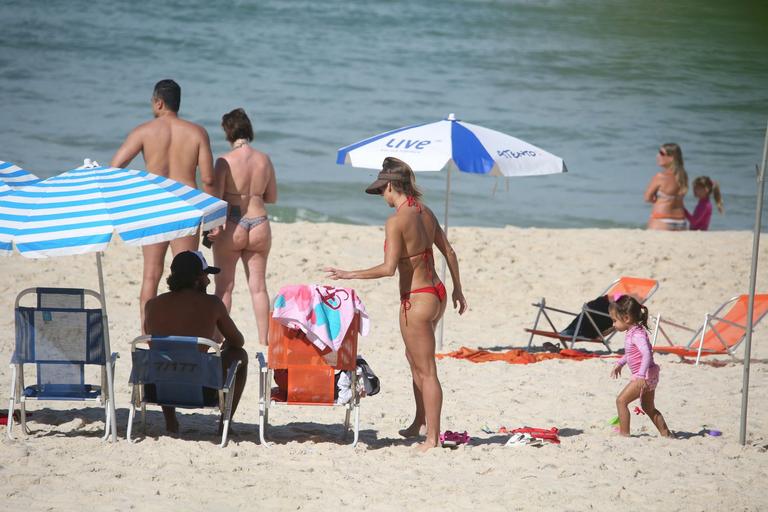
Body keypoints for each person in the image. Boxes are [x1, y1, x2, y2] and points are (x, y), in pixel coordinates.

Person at [324, 157, 468, 452]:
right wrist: (458, 290)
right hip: (437, 292)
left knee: (426, 369)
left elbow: (389, 269)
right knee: (414, 358)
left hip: (415, 300)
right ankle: (420, 422)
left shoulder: (396, 221)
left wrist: (350, 273)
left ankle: (432, 439)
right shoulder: (426, 213)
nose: (382, 197)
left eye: (382, 191)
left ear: (391, 186)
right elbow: (449, 252)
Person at [111, 79, 215, 332]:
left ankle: (148, 335)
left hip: (155, 207)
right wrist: (213, 220)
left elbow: (114, 169)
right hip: (185, 207)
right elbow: (209, 179)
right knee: (190, 276)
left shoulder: (144, 131)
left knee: (151, 275)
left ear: (158, 102)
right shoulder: (196, 132)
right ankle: (187, 331)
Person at [144, 250, 248, 434]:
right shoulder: (212, 304)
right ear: (197, 278)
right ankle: (224, 424)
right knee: (240, 355)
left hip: (157, 389)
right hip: (201, 391)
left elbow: (154, 343)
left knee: (166, 357)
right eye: (206, 275)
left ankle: (171, 422)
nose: (208, 281)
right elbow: (238, 341)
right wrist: (224, 343)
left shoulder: (152, 305)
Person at [206, 108, 277, 346]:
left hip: (233, 225)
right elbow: (272, 196)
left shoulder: (224, 161)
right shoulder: (264, 159)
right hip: (259, 223)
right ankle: (264, 341)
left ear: (228, 132)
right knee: (258, 287)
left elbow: (215, 199)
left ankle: (216, 338)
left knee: (224, 287)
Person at [609, 295, 672, 438]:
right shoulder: (634, 332)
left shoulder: (637, 335)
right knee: (648, 408)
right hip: (651, 375)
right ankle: (666, 434)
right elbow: (631, 353)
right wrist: (620, 363)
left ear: (626, 318)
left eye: (614, 320)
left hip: (644, 376)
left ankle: (624, 434)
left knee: (621, 401)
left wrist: (641, 375)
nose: (613, 325)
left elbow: (647, 354)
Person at [644, 143, 689, 231]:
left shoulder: (660, 176)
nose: (657, 156)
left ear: (671, 158)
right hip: (681, 221)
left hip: (662, 220)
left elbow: (647, 198)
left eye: (661, 153)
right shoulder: (683, 176)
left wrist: (657, 199)